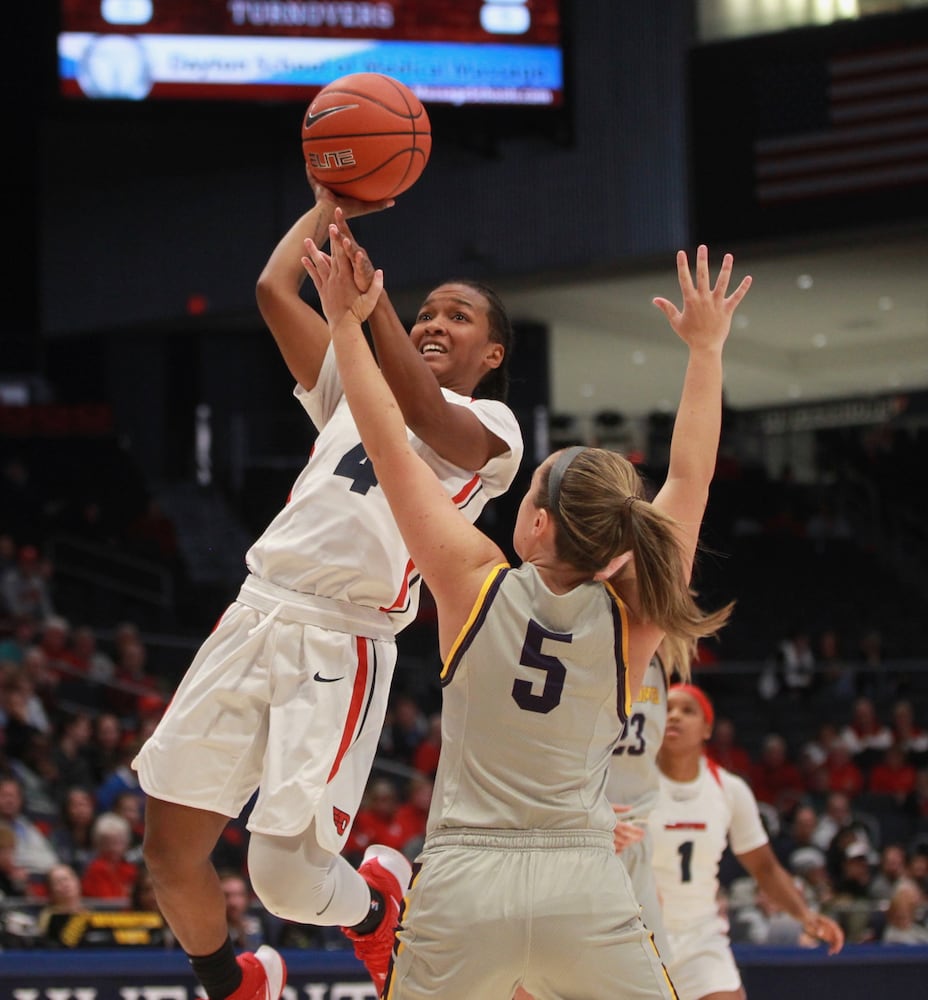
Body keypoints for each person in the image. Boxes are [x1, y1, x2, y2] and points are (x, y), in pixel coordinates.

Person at [304, 232, 749, 998]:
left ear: (537, 522)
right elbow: (691, 473)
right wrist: (705, 351)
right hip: (584, 879)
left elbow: (387, 442)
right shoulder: (633, 613)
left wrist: (347, 321)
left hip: (462, 879)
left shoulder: (475, 581)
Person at [133, 179, 524, 1000]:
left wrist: (367, 308)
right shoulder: (356, 390)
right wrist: (329, 206)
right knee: (167, 855)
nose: (433, 324)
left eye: (459, 317)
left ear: (492, 356)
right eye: (428, 313)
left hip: (342, 636)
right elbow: (274, 291)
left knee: (281, 878)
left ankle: (379, 910)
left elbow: (422, 411)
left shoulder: (496, 437)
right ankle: (231, 982)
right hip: (254, 612)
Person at [649, 684, 844, 1000]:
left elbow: (764, 868)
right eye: (667, 709)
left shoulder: (729, 789)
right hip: (639, 933)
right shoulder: (634, 783)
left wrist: (805, 916)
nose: (674, 717)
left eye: (687, 711)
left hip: (700, 935)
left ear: (707, 728)